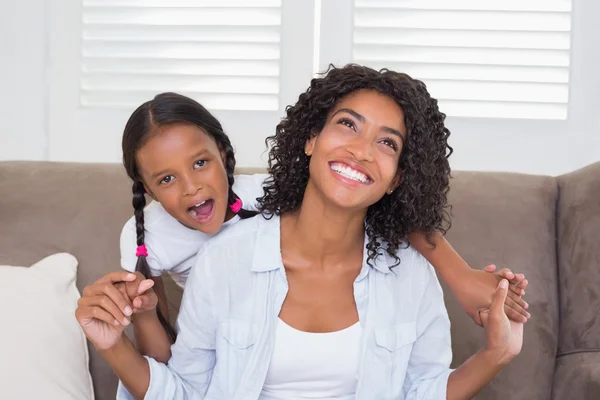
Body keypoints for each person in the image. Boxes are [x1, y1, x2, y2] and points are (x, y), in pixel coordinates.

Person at [77, 65, 525, 399]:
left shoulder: (410, 275)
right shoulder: (224, 258)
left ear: (397, 178)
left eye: (387, 143)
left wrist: (495, 354)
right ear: (311, 138)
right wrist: (113, 344)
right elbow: (188, 390)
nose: (361, 151)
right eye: (348, 124)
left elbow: (422, 391)